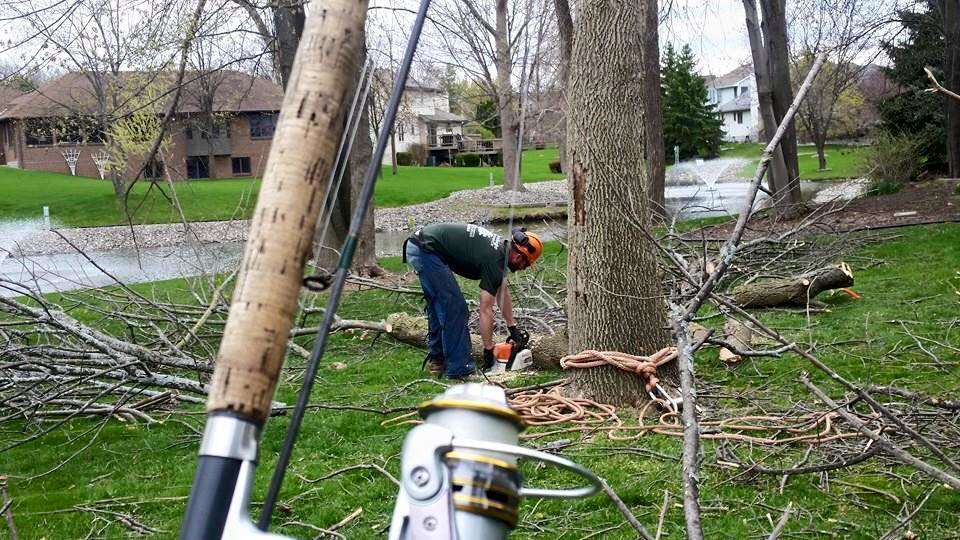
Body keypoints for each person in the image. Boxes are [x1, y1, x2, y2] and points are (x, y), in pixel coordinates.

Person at [403, 223, 543, 380]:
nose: (523, 268)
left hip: (420, 244)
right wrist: (488, 349)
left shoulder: (500, 252)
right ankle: (461, 370)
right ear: (519, 257)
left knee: (440, 305)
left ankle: (438, 361)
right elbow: (485, 309)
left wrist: (513, 328)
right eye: (526, 264)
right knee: (455, 308)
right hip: (426, 249)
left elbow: (502, 293)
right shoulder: (495, 261)